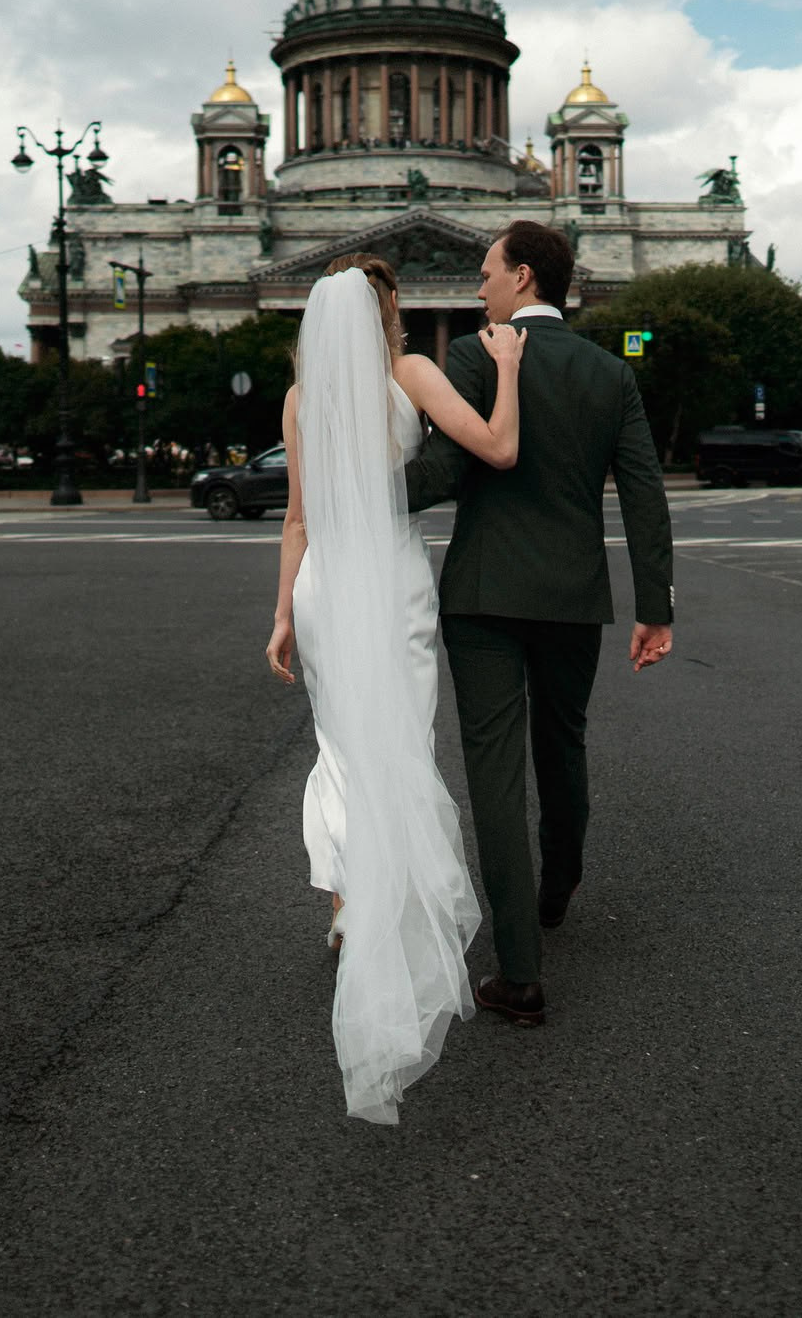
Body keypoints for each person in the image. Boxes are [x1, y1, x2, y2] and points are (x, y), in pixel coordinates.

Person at [262, 255, 525, 1125]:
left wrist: (281, 616)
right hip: (395, 580)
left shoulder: (301, 402)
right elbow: (496, 446)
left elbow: (299, 518)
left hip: (328, 586)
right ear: (387, 314)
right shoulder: (408, 373)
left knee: (340, 746)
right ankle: (381, 905)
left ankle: (348, 908)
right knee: (399, 744)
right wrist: (511, 372)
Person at [402, 221, 674, 1030]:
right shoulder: (607, 372)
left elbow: (447, 471)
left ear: (522, 277)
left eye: (487, 273)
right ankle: (558, 887)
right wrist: (655, 606)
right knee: (564, 740)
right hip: (571, 594)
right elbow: (645, 492)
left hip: (483, 593)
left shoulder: (474, 355)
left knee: (494, 770)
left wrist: (346, 482)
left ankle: (519, 969)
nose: (477, 286)